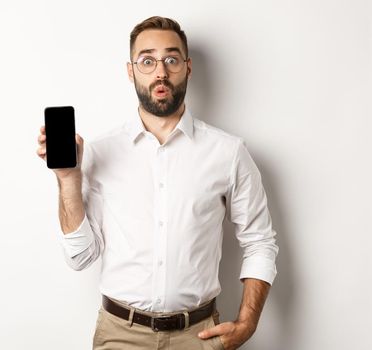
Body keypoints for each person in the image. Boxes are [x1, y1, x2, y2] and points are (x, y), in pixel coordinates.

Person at [35, 16, 279, 350]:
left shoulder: (228, 153)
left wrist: (247, 323)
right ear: (130, 70)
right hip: (119, 335)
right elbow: (80, 257)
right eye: (147, 60)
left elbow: (259, 241)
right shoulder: (99, 153)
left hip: (199, 336)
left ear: (188, 67)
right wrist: (67, 179)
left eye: (171, 59)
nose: (160, 71)